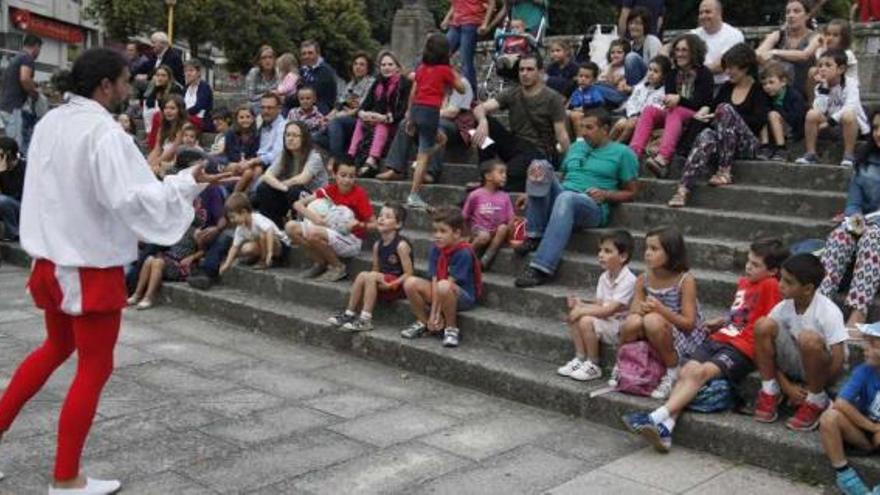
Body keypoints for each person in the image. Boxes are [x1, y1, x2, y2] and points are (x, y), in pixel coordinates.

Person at [0, 47, 226, 494]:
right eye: (125, 80)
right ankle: (66, 479)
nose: (130, 88)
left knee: (55, 348)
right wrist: (189, 180)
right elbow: (136, 199)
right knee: (95, 367)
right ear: (106, 85)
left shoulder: (50, 122)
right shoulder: (105, 133)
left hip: (51, 258)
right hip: (87, 263)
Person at [622, 238, 788, 452]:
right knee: (687, 371)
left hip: (742, 348)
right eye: (748, 261)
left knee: (699, 373)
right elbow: (743, 315)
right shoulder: (744, 283)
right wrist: (722, 322)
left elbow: (766, 322)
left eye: (756, 265)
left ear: (773, 270)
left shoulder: (771, 284)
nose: (748, 267)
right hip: (720, 338)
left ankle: (654, 416)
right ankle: (666, 429)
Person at [515, 109, 639, 288]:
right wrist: (533, 191)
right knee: (540, 165)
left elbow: (632, 192)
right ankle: (534, 236)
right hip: (564, 198)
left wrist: (607, 194)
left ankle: (541, 267)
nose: (583, 132)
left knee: (567, 198)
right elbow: (559, 178)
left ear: (605, 129)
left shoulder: (623, 153)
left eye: (589, 127)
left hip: (591, 206)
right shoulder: (575, 147)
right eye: (582, 127)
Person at [753, 253, 848, 431]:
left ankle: (817, 400)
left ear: (807, 288)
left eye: (789, 282)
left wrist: (816, 387)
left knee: (808, 338)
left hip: (822, 371)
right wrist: (786, 386)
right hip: (796, 367)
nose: (780, 285)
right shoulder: (782, 308)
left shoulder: (828, 312)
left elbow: (838, 360)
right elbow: (763, 350)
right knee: (762, 325)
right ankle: (770, 391)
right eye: (781, 278)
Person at [668, 43, 769, 207]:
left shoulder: (758, 89)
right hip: (723, 142)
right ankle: (683, 189)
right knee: (706, 136)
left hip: (747, 144)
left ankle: (725, 170)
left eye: (731, 68)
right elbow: (714, 109)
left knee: (726, 109)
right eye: (726, 68)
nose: (727, 72)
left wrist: (730, 117)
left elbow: (759, 121)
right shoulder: (727, 88)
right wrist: (707, 114)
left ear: (745, 68)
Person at [614, 226, 708, 399]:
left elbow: (689, 323)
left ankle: (673, 371)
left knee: (653, 320)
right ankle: (621, 362)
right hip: (654, 327)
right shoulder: (644, 279)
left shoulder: (685, 280)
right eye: (646, 248)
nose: (647, 253)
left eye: (654, 249)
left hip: (681, 334)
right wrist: (641, 309)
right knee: (633, 320)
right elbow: (634, 309)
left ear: (671, 252)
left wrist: (661, 310)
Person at [472, 54, 569, 193]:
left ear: (540, 72)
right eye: (521, 70)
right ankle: (486, 170)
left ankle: (491, 185)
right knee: (485, 123)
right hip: (515, 145)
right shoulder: (513, 93)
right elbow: (479, 108)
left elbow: (562, 134)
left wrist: (569, 163)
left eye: (530, 69)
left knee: (507, 178)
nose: (525, 74)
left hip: (537, 151)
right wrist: (482, 121)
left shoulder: (552, 98)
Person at [819, 112, 880, 328]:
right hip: (867, 223)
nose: (878, 133)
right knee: (840, 235)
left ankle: (858, 313)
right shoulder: (864, 160)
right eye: (875, 127)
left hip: (875, 230)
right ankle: (820, 304)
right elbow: (854, 203)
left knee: (873, 236)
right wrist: (854, 219)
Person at [630, 33, 714, 177]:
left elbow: (702, 102)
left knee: (676, 110)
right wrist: (673, 100)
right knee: (650, 110)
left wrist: (679, 100)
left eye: (684, 50)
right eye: (677, 50)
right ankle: (633, 155)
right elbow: (669, 99)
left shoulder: (704, 73)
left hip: (696, 115)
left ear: (694, 52)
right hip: (673, 113)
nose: (679, 54)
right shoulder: (672, 74)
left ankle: (663, 158)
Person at [558, 230, 637, 382]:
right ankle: (580, 358)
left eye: (607, 251)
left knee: (585, 319)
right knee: (575, 313)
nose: (601, 254)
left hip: (619, 326)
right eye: (600, 250)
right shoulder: (604, 277)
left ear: (623, 256)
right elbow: (599, 305)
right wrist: (580, 304)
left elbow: (609, 310)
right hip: (606, 321)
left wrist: (583, 311)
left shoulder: (629, 280)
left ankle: (594, 364)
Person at [126, 188, 225, 309]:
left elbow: (202, 251)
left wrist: (192, 257)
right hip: (170, 258)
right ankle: (137, 294)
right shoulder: (176, 229)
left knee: (157, 262)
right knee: (149, 260)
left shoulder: (196, 232)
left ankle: (149, 297)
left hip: (182, 264)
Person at [401, 206, 482, 348]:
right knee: (410, 283)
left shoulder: (464, 252)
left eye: (443, 231)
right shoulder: (436, 248)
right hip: (440, 290)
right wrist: (432, 315)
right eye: (435, 231)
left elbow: (447, 283)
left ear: (456, 233)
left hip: (461, 297)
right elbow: (434, 278)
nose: (437, 235)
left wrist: (437, 313)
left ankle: (451, 328)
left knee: (444, 285)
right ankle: (423, 322)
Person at [328, 203, 414, 332]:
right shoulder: (377, 245)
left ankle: (365, 319)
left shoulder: (401, 245)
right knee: (363, 274)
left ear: (398, 224)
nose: (381, 219)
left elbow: (409, 273)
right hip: (382, 282)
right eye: (380, 215)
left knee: (371, 275)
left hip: (398, 286)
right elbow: (375, 269)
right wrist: (372, 283)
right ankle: (349, 313)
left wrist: (392, 284)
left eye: (388, 216)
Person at [287, 160, 376, 282]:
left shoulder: (359, 194)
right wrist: (315, 218)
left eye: (351, 176)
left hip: (351, 240)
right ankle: (320, 262)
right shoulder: (329, 190)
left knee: (313, 233)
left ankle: (338, 267)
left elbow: (374, 225)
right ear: (334, 174)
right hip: (329, 231)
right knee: (290, 227)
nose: (347, 180)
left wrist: (359, 224)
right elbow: (298, 204)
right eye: (343, 175)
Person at [404, 33, 466, 209]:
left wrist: (409, 115)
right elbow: (461, 89)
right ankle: (414, 194)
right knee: (424, 153)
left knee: (441, 139)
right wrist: (452, 69)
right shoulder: (445, 70)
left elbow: (413, 92)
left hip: (416, 109)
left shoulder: (422, 68)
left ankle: (419, 163)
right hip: (430, 112)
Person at [819, 322, 880, 495]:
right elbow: (841, 402)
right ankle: (846, 476)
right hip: (864, 428)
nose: (865, 348)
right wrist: (873, 427)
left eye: (873, 344)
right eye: (865, 343)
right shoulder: (864, 370)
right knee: (829, 418)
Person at [796, 49, 869, 166]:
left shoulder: (851, 84)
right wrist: (824, 89)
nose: (822, 69)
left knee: (848, 114)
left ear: (841, 69)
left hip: (851, 125)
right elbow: (819, 109)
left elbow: (851, 106)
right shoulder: (820, 87)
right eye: (820, 66)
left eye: (828, 65)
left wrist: (830, 121)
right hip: (831, 126)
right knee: (811, 114)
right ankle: (811, 154)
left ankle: (848, 155)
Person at [348, 52, 411, 177]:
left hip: (396, 123)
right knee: (361, 121)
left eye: (390, 64)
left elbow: (402, 111)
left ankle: (372, 160)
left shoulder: (404, 83)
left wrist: (383, 118)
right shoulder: (378, 82)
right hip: (378, 120)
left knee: (382, 125)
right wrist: (364, 114)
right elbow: (365, 104)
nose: (386, 67)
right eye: (383, 65)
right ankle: (351, 156)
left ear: (397, 67)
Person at [255, 121, 328, 229]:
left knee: (293, 190)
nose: (290, 138)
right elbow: (268, 175)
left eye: (295, 135)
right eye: (288, 135)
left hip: (314, 199)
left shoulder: (314, 156)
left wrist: (283, 186)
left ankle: (297, 227)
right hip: (291, 193)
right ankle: (274, 228)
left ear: (304, 138)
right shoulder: (284, 155)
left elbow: (302, 179)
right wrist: (283, 187)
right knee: (264, 188)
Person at [320, 53, 375, 171]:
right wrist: (327, 117)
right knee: (316, 136)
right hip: (343, 119)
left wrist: (339, 116)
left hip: (360, 120)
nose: (358, 67)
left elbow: (361, 107)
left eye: (362, 65)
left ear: (368, 68)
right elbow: (339, 105)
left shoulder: (371, 83)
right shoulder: (350, 84)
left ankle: (336, 159)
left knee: (335, 123)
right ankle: (343, 150)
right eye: (355, 64)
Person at [756, 0, 821, 98]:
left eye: (796, 11)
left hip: (803, 91)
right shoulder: (778, 35)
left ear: (807, 16)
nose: (791, 15)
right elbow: (758, 53)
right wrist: (769, 61)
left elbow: (804, 55)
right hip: (777, 89)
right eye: (788, 12)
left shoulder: (815, 36)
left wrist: (775, 52)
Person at [462, 160, 514, 270]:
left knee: (503, 227)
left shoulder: (505, 196)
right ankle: (465, 256)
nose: (504, 176)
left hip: (495, 231)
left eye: (505, 173)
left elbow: (510, 218)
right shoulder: (475, 195)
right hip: (478, 230)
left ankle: (485, 260)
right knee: (484, 236)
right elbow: (465, 216)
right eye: (501, 172)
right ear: (488, 176)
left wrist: (510, 235)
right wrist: (466, 235)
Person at [220, 192, 291, 273]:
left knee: (262, 234)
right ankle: (262, 257)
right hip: (265, 245)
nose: (232, 221)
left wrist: (270, 252)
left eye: (233, 217)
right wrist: (227, 264)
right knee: (246, 248)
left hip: (280, 245)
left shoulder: (257, 218)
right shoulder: (240, 228)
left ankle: (264, 259)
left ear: (243, 212)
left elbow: (270, 230)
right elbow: (234, 247)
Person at [611, 55, 669, 143]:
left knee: (631, 124)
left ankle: (616, 146)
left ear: (664, 76)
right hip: (632, 116)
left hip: (645, 122)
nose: (651, 73)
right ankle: (604, 144)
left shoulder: (663, 93)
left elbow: (659, 109)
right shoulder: (640, 87)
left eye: (656, 71)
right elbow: (631, 101)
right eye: (650, 70)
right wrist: (632, 115)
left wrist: (639, 118)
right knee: (620, 123)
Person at [757, 62, 807, 162]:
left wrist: (778, 109)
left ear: (783, 82)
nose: (767, 87)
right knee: (763, 112)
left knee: (772, 114)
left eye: (771, 82)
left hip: (792, 129)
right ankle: (765, 146)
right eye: (764, 84)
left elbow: (796, 118)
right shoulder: (766, 96)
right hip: (773, 128)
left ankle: (781, 148)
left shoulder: (794, 96)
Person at [0, 34, 41, 156]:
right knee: (14, 147)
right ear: (36, 46)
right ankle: (14, 174)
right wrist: (34, 94)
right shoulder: (27, 58)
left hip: (5, 107)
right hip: (14, 109)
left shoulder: (16, 59)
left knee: (6, 145)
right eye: (39, 49)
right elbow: (24, 79)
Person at [440, 0, 494, 93]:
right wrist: (446, 19)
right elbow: (455, 4)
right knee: (440, 53)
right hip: (456, 23)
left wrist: (485, 23)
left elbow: (492, 3)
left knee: (465, 60)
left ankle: (471, 95)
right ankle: (444, 87)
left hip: (471, 22)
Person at [688, 0, 745, 86]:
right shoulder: (692, 35)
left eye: (708, 12)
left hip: (725, 86)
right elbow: (672, 51)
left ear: (719, 13)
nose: (703, 16)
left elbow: (722, 65)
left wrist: (692, 71)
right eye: (701, 13)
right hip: (697, 85)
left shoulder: (734, 35)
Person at [239, 93, 286, 186]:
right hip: (253, 160)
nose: (265, 111)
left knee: (253, 172)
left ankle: (240, 197)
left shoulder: (283, 126)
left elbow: (276, 155)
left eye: (270, 108)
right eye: (263, 107)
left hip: (271, 166)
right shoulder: (259, 121)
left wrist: (254, 161)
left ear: (279, 109)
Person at [809, 19, 858, 101]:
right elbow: (821, 66)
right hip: (827, 85)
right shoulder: (821, 51)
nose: (830, 38)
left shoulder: (848, 54)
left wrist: (824, 46)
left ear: (844, 38)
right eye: (828, 34)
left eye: (835, 35)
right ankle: (812, 101)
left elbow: (830, 70)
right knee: (812, 71)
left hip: (844, 89)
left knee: (819, 71)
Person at [221, 105, 261, 193]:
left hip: (248, 164)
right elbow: (229, 152)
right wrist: (239, 163)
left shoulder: (256, 135)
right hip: (232, 163)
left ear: (253, 119)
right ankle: (234, 197)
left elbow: (255, 153)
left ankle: (243, 195)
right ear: (237, 119)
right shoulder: (230, 133)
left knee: (251, 172)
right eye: (241, 117)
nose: (245, 120)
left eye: (248, 117)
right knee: (246, 172)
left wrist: (246, 162)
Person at [146, 94, 188, 175]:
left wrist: (155, 163)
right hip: (163, 162)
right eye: (166, 108)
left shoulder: (184, 127)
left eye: (172, 108)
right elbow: (157, 149)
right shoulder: (162, 128)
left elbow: (172, 150)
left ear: (180, 110)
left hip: (177, 165)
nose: (168, 111)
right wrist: (147, 164)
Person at [623, 7, 663, 87]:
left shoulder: (653, 42)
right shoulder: (629, 45)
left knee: (631, 57)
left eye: (638, 23)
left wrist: (636, 89)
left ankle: (634, 94)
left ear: (645, 26)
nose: (633, 26)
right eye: (631, 23)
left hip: (648, 86)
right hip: (629, 87)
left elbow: (656, 70)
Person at [297, 40, 339, 115]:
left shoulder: (326, 72)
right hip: (302, 106)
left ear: (318, 54)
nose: (307, 56)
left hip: (320, 109)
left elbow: (317, 95)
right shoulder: (302, 71)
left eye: (310, 53)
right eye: (304, 54)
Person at [142, 64, 183, 136]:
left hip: (173, 114)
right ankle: (149, 134)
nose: (160, 78)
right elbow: (149, 103)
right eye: (158, 75)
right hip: (160, 113)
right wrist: (155, 88)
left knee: (155, 114)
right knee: (147, 107)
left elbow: (166, 105)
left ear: (169, 77)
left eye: (163, 75)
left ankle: (150, 134)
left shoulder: (175, 88)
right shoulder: (157, 86)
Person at [567, 63, 608, 130]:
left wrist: (584, 108)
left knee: (577, 116)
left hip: (593, 115)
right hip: (579, 114)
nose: (583, 79)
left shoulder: (594, 91)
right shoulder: (576, 92)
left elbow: (599, 103)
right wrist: (574, 108)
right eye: (580, 76)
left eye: (587, 77)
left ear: (594, 80)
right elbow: (572, 105)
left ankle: (580, 139)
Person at [0, 137, 25, 241]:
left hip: (20, 209)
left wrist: (3, 172)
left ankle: (14, 233)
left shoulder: (24, 167)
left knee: (2, 200)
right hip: (6, 208)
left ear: (8, 155)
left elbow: (13, 193)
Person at [245, 45, 279, 114]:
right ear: (259, 61)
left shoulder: (278, 72)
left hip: (273, 106)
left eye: (270, 57)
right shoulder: (254, 73)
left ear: (274, 59)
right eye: (264, 58)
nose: (267, 60)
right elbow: (250, 97)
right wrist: (269, 93)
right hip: (256, 106)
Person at [183, 59, 213, 131]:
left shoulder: (204, 87)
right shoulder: (186, 88)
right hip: (186, 119)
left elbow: (199, 106)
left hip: (200, 120)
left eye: (191, 70)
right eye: (186, 71)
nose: (188, 73)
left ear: (199, 73)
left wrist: (183, 114)